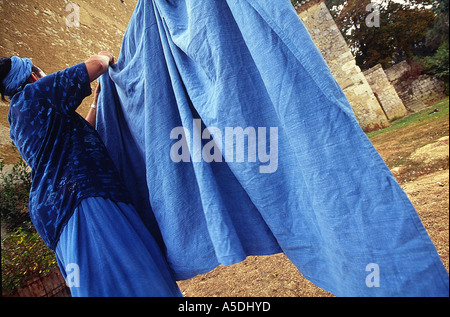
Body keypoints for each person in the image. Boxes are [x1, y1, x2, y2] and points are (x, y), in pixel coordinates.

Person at [0, 53, 182, 297]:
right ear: (33, 76)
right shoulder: (36, 93)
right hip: (82, 199)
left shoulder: (17, 120)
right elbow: (98, 65)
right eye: (41, 72)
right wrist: (105, 56)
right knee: (133, 273)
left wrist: (96, 101)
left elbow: (76, 137)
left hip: (56, 213)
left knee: (96, 283)